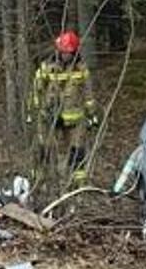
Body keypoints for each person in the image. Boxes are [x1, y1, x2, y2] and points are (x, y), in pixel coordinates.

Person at [27, 30, 98, 186]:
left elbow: (88, 94)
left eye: (69, 53)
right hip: (50, 117)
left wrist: (92, 114)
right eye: (64, 52)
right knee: (44, 148)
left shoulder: (81, 69)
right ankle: (40, 181)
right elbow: (37, 89)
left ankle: (77, 183)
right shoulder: (47, 67)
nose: (66, 55)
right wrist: (33, 110)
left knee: (77, 151)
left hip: (75, 119)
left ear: (75, 52)